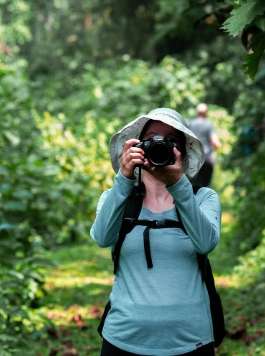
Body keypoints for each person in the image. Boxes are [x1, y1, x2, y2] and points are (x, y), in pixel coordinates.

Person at [90, 108, 222, 356]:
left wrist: (178, 185)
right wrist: (123, 179)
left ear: (182, 153)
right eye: (151, 138)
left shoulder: (203, 197)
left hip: (191, 340)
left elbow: (205, 243)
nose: (160, 145)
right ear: (137, 147)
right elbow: (101, 237)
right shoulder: (116, 198)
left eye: (171, 141)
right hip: (122, 338)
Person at [188, 104, 221, 188]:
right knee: (206, 186)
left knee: (191, 185)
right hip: (206, 158)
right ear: (206, 113)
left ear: (197, 112)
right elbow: (215, 143)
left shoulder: (190, 123)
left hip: (193, 158)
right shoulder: (209, 125)